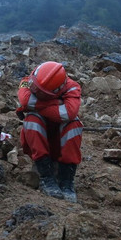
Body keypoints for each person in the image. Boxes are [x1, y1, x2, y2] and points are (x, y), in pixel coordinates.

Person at [16, 61, 83, 202]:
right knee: (32, 120)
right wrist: (55, 104)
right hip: (38, 144)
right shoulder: (28, 80)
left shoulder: (73, 87)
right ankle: (46, 177)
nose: (34, 90)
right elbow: (25, 100)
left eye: (40, 92)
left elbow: (67, 114)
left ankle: (67, 181)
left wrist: (37, 106)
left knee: (73, 124)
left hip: (58, 143)